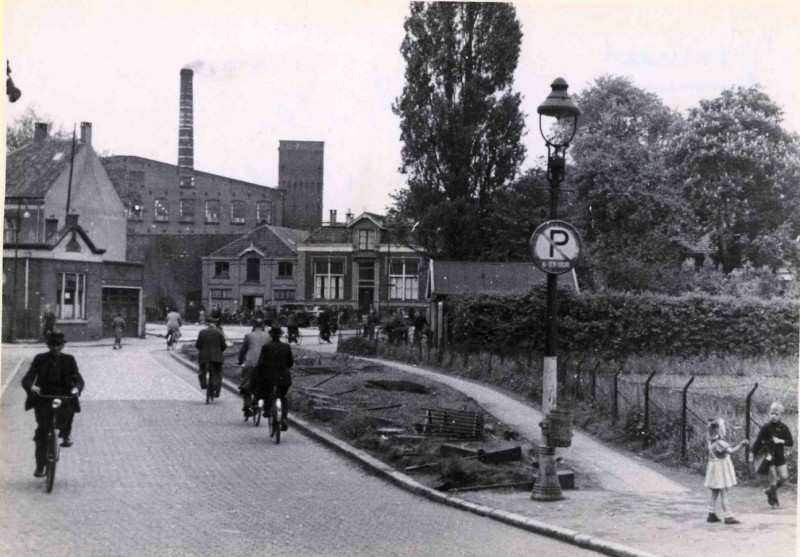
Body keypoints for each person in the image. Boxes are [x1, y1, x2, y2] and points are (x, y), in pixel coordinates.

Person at [21, 331, 85, 477]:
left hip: (63, 395)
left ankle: (66, 433)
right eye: (52, 345)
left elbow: (78, 379)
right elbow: (28, 378)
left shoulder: (69, 360)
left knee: (69, 409)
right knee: (42, 433)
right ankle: (40, 468)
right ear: (48, 346)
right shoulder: (40, 359)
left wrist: (77, 388)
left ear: (62, 346)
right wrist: (32, 387)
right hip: (44, 397)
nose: (55, 348)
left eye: (58, 345)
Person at [704, 417, 749, 524]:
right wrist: (742, 445)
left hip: (714, 469)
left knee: (715, 491)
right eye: (723, 427)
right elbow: (731, 451)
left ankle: (711, 512)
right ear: (718, 430)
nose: (725, 429)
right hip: (720, 470)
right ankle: (728, 516)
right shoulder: (720, 443)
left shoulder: (710, 441)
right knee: (724, 492)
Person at [750, 401, 794, 508]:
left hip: (779, 456)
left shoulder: (784, 428)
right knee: (773, 476)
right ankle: (774, 501)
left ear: (781, 416)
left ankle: (770, 490)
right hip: (768, 456)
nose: (773, 416)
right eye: (772, 414)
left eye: (776, 414)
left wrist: (780, 441)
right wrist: (752, 453)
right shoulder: (766, 427)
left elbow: (790, 442)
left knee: (784, 477)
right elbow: (758, 441)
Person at [251, 325, 294, 431]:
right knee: (282, 397)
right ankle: (283, 418)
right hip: (283, 377)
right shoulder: (286, 346)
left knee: (266, 392)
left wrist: (259, 371)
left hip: (269, 377)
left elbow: (261, 363)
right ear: (280, 335)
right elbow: (290, 363)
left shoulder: (266, 347)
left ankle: (267, 409)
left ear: (271, 335)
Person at [237, 319, 270, 419]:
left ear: (254, 325)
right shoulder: (268, 336)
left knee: (244, 385)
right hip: (264, 364)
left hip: (251, 363)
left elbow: (243, 350)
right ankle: (258, 402)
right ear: (263, 325)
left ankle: (247, 407)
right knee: (262, 384)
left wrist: (240, 360)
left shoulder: (248, 336)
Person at [195, 319, 227, 397]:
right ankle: (217, 391)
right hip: (217, 357)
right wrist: (220, 351)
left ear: (207, 324)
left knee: (202, 369)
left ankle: (203, 383)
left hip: (204, 356)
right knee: (219, 372)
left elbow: (198, 345)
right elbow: (224, 345)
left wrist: (201, 350)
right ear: (215, 324)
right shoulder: (219, 332)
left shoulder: (202, 332)